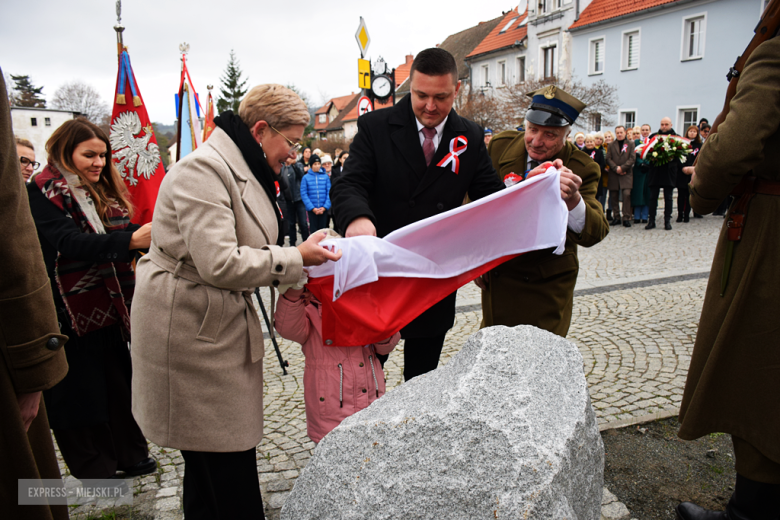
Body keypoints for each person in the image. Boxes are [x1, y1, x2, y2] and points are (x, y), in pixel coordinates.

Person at [130, 84, 341, 519]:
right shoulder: (202, 171)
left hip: (212, 321)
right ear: (261, 130)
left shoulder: (239, 163)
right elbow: (219, 263)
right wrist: (297, 258)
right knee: (224, 461)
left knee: (212, 462)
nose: (293, 153)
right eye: (292, 141)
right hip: (190, 328)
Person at [330, 47, 505, 381]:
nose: (429, 106)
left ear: (457, 91)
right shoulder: (375, 127)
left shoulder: (470, 135)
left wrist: (533, 187)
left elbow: (491, 198)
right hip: (379, 273)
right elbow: (349, 184)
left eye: (440, 97)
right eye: (421, 95)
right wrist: (356, 219)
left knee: (422, 381)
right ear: (410, 87)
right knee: (363, 380)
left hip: (432, 279)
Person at [675, 37, 780, 520]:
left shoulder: (775, 51)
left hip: (770, 233)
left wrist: (703, 181)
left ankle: (749, 512)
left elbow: (736, 143)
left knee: (756, 367)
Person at [26, 118, 155, 480]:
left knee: (119, 383)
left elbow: (119, 232)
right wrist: (130, 241)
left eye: (103, 154)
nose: (99, 162)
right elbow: (68, 242)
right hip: (67, 310)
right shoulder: (40, 192)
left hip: (110, 307)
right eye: (89, 155)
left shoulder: (101, 191)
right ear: (65, 153)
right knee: (79, 395)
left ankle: (130, 454)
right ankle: (94, 468)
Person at [478, 85, 609, 336]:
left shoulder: (584, 167)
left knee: (539, 361)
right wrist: (479, 258)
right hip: (501, 274)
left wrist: (573, 200)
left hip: (548, 281)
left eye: (549, 135)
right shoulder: (499, 147)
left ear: (566, 134)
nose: (536, 141)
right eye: (532, 129)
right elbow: (476, 205)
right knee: (497, 354)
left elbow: (595, 232)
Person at [1, 70, 69, 520]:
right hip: (49, 310)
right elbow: (17, 241)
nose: (100, 163)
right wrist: (34, 363)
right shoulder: (43, 194)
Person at [274, 254, 401, 444]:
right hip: (330, 412)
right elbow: (287, 327)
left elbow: (385, 347)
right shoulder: (309, 308)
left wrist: (381, 327)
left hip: (371, 401)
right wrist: (294, 291)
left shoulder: (364, 301)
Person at [646, 117, 679, 230]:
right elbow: (647, 151)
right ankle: (651, 221)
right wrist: (652, 158)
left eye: (666, 124)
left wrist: (671, 157)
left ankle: (667, 221)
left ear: (671, 125)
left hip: (669, 171)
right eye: (662, 124)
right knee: (652, 197)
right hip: (655, 170)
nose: (664, 126)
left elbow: (680, 155)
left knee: (668, 197)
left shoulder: (676, 138)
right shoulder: (653, 137)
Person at [606, 125, 636, 227]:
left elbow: (632, 158)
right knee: (613, 196)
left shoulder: (631, 144)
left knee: (626, 195)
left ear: (625, 133)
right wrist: (616, 168)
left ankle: (626, 217)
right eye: (617, 132)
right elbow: (608, 158)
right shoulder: (611, 145)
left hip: (626, 174)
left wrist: (622, 168)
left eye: (621, 132)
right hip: (614, 174)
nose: (619, 134)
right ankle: (616, 217)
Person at [280, 156, 309, 245]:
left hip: (298, 199)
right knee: (291, 224)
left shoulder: (298, 165)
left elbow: (301, 175)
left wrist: (294, 164)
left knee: (303, 223)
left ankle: (306, 242)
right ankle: (292, 243)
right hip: (288, 200)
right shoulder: (282, 167)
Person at [677, 125, 702, 223]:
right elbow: (678, 156)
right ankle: (680, 214)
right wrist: (682, 167)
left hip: (693, 172)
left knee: (688, 195)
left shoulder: (699, 145)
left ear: (697, 134)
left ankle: (686, 214)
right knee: (681, 195)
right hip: (682, 173)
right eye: (690, 131)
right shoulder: (682, 144)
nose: (692, 133)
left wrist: (692, 168)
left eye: (694, 131)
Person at [300, 154, 331, 231]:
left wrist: (325, 207)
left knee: (323, 230)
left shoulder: (325, 177)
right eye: (315, 164)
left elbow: (329, 192)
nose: (317, 166)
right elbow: (304, 193)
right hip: (312, 209)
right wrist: (312, 208)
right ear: (311, 165)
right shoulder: (306, 177)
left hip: (323, 209)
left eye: (318, 164)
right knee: (313, 230)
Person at [632, 125, 651, 223]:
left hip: (649, 171)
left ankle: (645, 216)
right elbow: (634, 155)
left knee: (647, 193)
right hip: (639, 171)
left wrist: (648, 164)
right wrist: (641, 163)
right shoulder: (636, 142)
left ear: (649, 131)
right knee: (638, 193)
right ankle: (636, 216)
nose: (644, 131)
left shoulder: (652, 142)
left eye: (646, 130)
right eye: (643, 130)